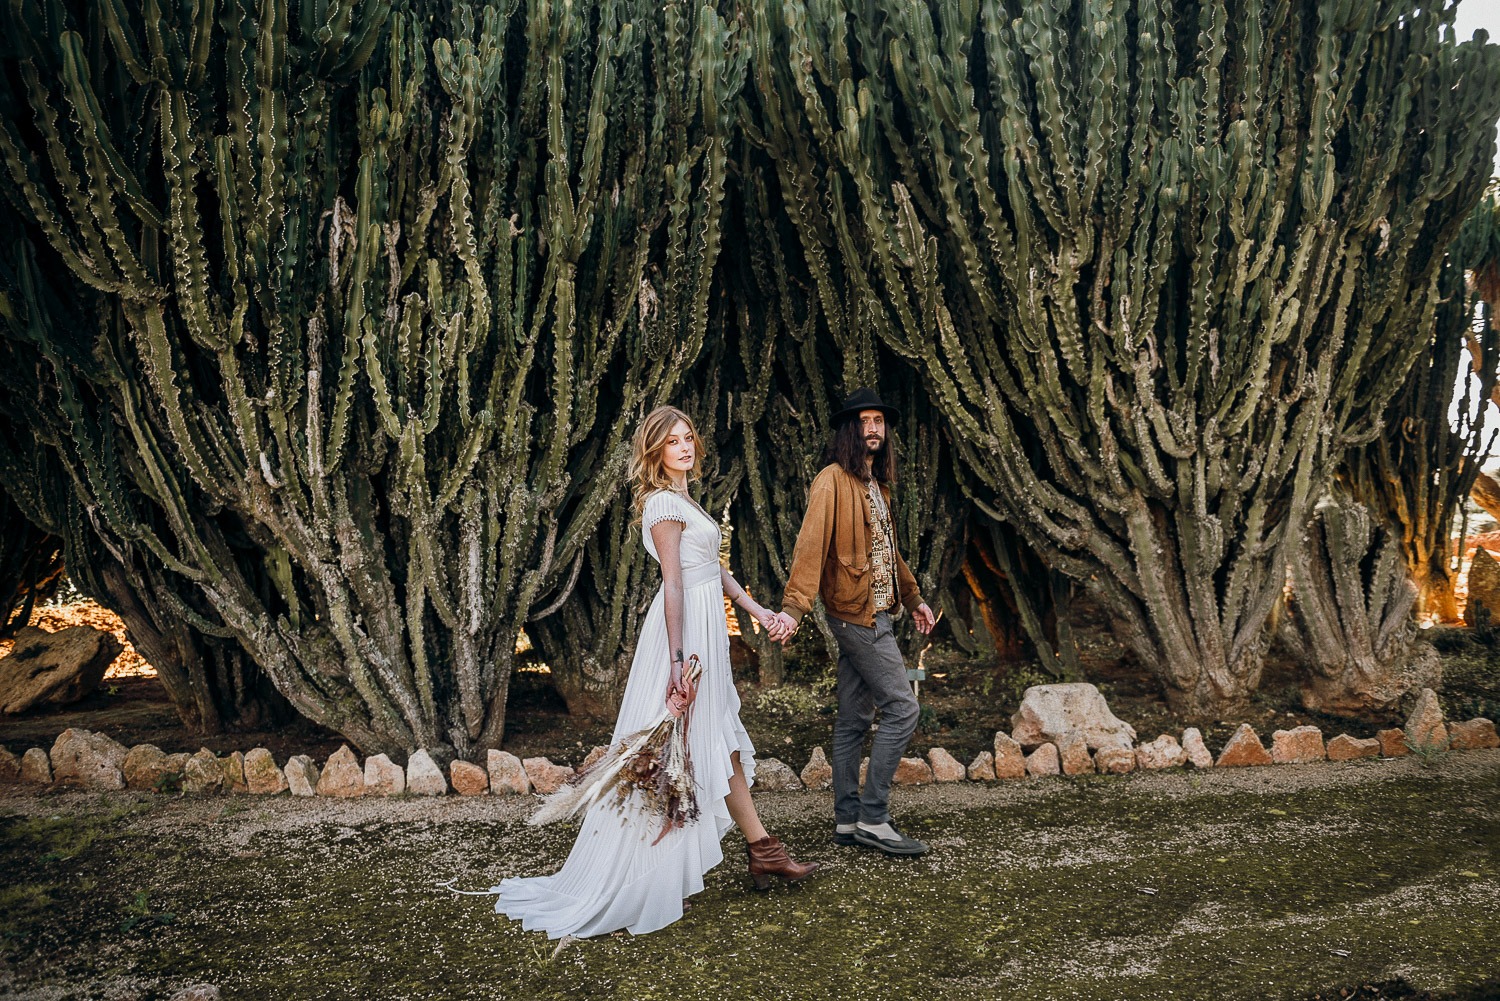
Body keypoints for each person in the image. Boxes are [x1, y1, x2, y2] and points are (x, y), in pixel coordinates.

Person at [492, 405, 818, 939]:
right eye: (672, 441)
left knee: (720, 742)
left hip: (707, 629)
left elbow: (712, 568)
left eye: (689, 437)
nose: (684, 447)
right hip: (683, 636)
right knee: (668, 756)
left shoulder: (688, 501)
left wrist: (756, 612)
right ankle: (646, 873)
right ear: (656, 452)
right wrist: (674, 663)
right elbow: (673, 583)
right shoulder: (664, 505)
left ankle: (764, 852)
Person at [773, 387, 937, 857]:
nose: (873, 428)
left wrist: (914, 597)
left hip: (877, 612)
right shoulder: (832, 480)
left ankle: (847, 822)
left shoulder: (875, 485)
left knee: (853, 721)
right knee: (903, 709)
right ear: (850, 429)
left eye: (879, 421)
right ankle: (874, 817)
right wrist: (794, 607)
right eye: (864, 421)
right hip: (858, 619)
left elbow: (888, 552)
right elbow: (811, 545)